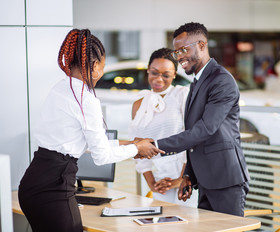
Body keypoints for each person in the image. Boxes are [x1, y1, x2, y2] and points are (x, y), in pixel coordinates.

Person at [18, 29, 163, 232]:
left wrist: (132, 144)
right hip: (54, 188)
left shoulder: (60, 88)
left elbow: (82, 142)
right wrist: (136, 148)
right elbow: (101, 155)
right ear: (95, 66)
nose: (101, 73)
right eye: (103, 68)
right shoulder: (85, 99)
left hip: (33, 183)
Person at [156, 22, 250, 216]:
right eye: (176, 52)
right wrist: (189, 175)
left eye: (183, 49)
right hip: (206, 180)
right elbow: (196, 137)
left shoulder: (221, 80)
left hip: (225, 180)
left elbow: (205, 129)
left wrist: (155, 145)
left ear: (202, 44)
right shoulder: (198, 81)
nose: (179, 57)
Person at [129, 48, 198, 207]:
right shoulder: (139, 103)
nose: (158, 79)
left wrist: (180, 179)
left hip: (185, 175)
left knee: (188, 225)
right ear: (148, 70)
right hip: (158, 177)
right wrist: (152, 183)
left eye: (166, 75)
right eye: (154, 73)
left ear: (175, 75)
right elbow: (137, 146)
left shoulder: (182, 95)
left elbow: (191, 139)